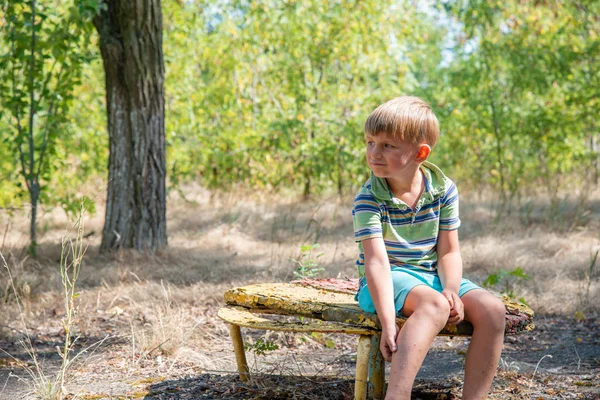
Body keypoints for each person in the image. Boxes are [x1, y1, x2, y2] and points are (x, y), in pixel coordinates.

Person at [352, 96, 506, 400]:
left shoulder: (443, 189)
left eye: (387, 145)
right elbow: (377, 264)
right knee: (434, 305)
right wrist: (386, 322)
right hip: (385, 281)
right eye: (370, 142)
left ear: (420, 153)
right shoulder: (369, 198)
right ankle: (397, 396)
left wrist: (451, 288)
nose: (374, 152)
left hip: (431, 276)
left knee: (492, 309)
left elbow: (449, 251)